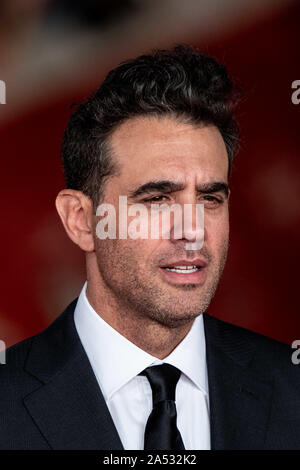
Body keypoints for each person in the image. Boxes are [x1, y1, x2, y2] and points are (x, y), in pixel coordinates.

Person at [1, 45, 299, 451]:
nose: (192, 231)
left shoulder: (290, 388)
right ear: (81, 220)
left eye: (210, 199)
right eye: (157, 199)